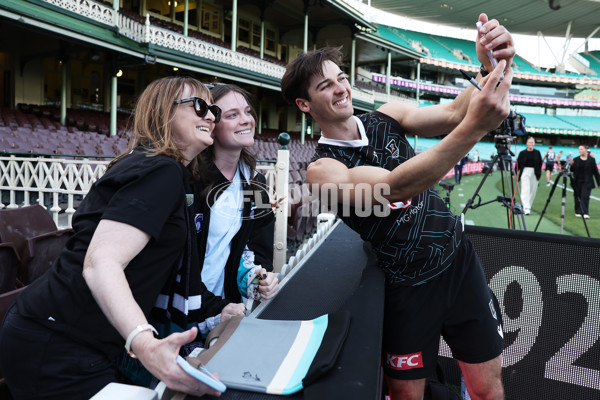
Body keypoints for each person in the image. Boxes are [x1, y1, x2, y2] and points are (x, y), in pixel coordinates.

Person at [281, 13, 513, 400]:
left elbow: (454, 113)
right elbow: (392, 186)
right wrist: (476, 128)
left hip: (458, 261)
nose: (341, 89)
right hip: (407, 287)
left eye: (341, 78)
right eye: (326, 86)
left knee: (487, 390)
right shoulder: (322, 170)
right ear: (304, 104)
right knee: (407, 397)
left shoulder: (386, 116)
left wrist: (490, 65)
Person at [0, 77, 246, 399]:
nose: (211, 116)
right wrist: (146, 344)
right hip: (56, 343)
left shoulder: (168, 171)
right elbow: (101, 262)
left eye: (213, 109)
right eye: (199, 106)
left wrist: (217, 308)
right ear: (162, 114)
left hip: (68, 337)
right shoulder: (161, 171)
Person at [193, 83, 279, 304]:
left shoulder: (255, 183)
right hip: (184, 309)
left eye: (248, 112)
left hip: (227, 306)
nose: (246, 120)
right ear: (211, 124)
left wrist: (261, 279)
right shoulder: (190, 180)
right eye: (232, 115)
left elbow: (260, 248)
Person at [571, 145, 600, 219]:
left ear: (586, 150)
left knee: (585, 196)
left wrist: (599, 183)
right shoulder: (576, 159)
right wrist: (570, 164)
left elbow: (595, 172)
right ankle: (578, 211)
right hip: (577, 181)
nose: (580, 150)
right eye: (579, 149)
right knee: (577, 196)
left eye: (582, 149)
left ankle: (585, 212)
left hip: (587, 182)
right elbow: (572, 169)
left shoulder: (592, 160)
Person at [516, 137, 542, 215]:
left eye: (532, 142)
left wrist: (538, 172)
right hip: (525, 172)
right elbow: (518, 163)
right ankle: (526, 208)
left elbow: (540, 163)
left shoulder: (537, 152)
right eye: (529, 142)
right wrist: (514, 172)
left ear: (534, 143)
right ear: (527, 143)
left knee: (533, 191)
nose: (531, 144)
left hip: (535, 172)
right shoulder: (522, 153)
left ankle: (528, 205)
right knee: (525, 190)